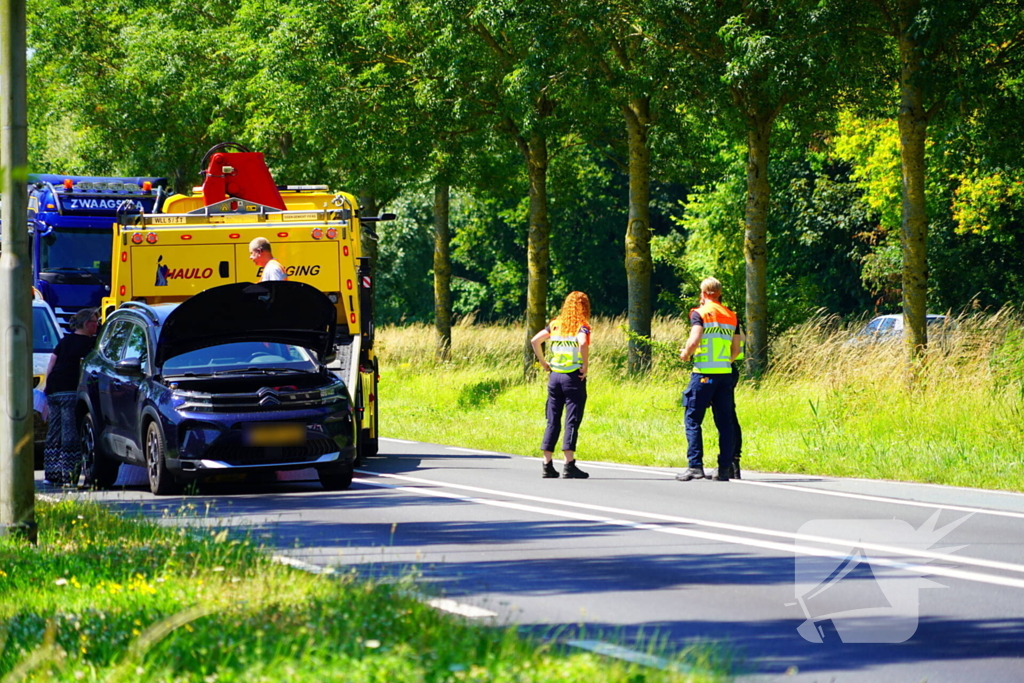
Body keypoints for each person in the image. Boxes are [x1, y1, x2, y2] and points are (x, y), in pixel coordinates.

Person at [676, 278, 741, 482]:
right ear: (719, 293)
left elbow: (695, 339)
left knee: (693, 419)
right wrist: (723, 363)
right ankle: (723, 469)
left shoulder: (700, 313)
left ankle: (695, 466)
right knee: (725, 422)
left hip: (703, 372)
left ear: (703, 293)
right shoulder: (732, 316)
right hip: (724, 374)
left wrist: (686, 353)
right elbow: (737, 349)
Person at [530, 291, 591, 479]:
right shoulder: (582, 326)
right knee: (572, 419)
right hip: (572, 377)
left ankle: (547, 464)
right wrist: (585, 365)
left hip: (555, 377)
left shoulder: (555, 324)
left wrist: (543, 362)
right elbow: (582, 343)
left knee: (552, 419)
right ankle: (568, 464)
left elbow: (535, 340)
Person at [43, 308, 99, 485]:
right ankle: (70, 475)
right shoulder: (90, 344)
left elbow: (52, 361)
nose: (97, 325)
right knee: (70, 433)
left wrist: (47, 387)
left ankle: (51, 475)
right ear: (86, 324)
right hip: (69, 389)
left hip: (54, 389)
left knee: (54, 432)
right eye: (95, 322)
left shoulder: (65, 341)